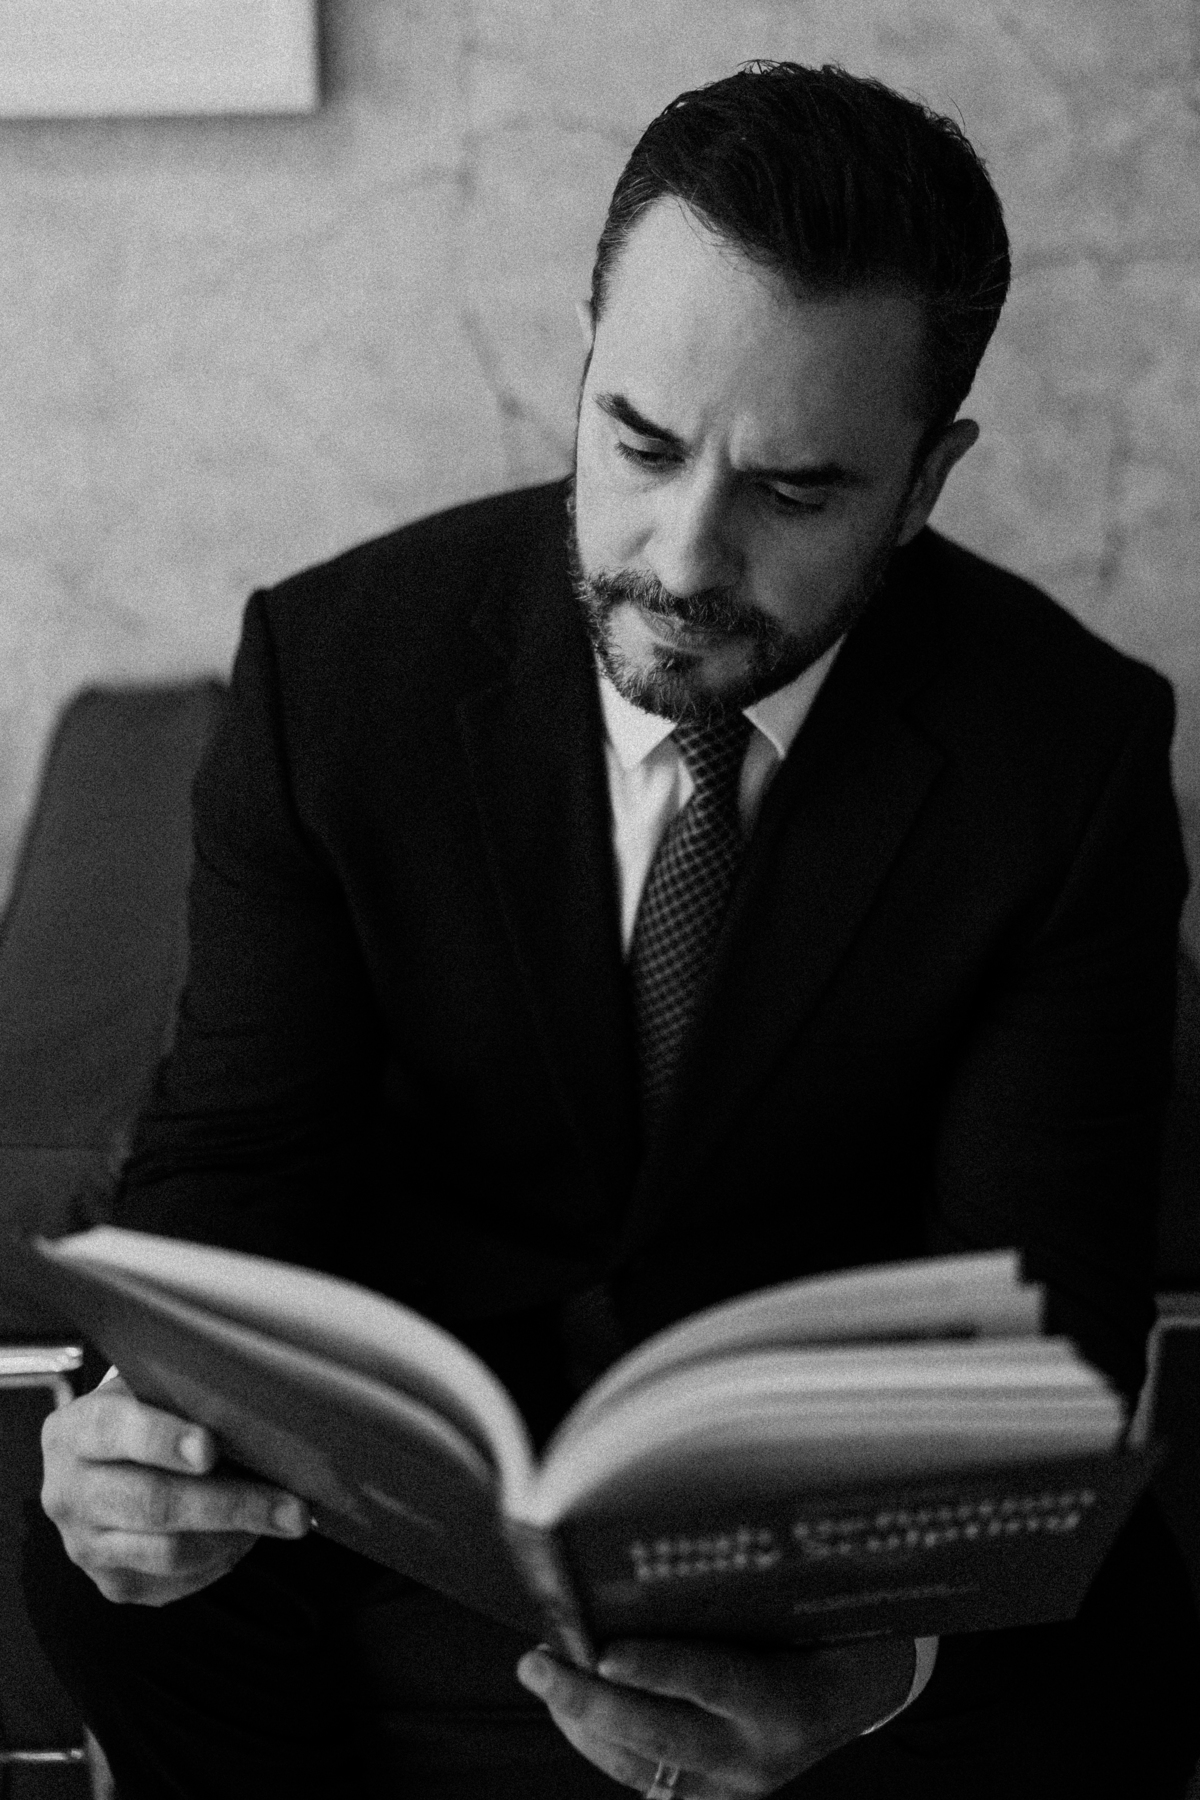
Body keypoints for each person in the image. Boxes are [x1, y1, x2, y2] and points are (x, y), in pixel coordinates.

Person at [23, 59, 1200, 1800]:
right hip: (425, 1441)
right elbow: (234, 1160)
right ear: (584, 360)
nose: (683, 557)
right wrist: (130, 1429)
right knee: (101, 1578)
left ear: (925, 481)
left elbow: (1047, 1320)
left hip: (825, 1474)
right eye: (640, 442)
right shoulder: (332, 674)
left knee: (1109, 1652)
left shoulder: (1070, 756)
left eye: (795, 491)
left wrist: (878, 1665)